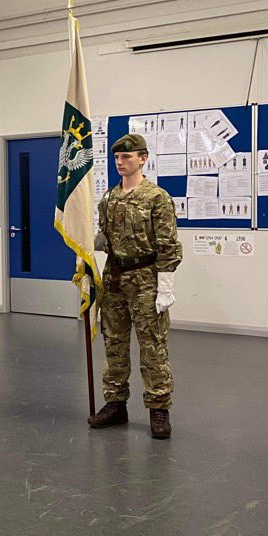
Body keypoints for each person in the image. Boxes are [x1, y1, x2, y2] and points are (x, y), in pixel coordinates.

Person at [90, 133, 183, 439]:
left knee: (152, 347)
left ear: (143, 158)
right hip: (114, 278)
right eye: (117, 158)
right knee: (114, 344)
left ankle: (159, 407)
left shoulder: (157, 197)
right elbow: (105, 238)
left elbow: (168, 245)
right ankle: (116, 404)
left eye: (127, 157)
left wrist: (165, 285)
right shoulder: (108, 198)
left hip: (145, 280)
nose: (120, 162)